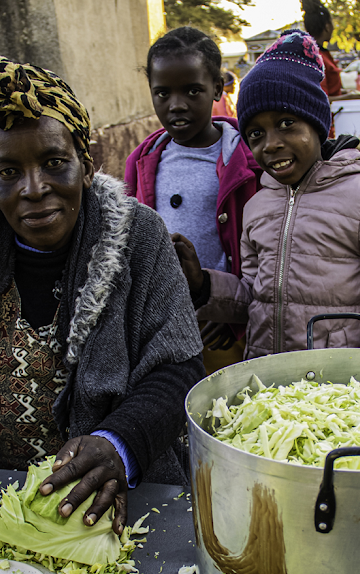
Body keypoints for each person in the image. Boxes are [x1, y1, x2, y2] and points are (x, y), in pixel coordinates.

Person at [0, 54, 205, 532]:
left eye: (55, 163)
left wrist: (118, 443)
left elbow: (180, 368)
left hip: (114, 505)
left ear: (86, 164)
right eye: (8, 171)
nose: (34, 189)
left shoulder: (139, 238)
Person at [174, 31, 360, 355]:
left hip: (337, 386)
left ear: (318, 126)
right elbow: (253, 295)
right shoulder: (258, 204)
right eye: (256, 133)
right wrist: (204, 285)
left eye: (287, 123)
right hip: (269, 381)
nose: (271, 143)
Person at [125, 27, 262, 373]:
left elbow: (264, 252)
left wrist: (229, 314)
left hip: (223, 325)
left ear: (217, 88)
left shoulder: (248, 161)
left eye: (193, 91)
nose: (176, 105)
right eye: (162, 93)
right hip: (163, 324)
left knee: (224, 412)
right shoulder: (142, 161)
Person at [302, 0, 360, 103]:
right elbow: (320, 99)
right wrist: (348, 97)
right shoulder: (316, 58)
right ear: (327, 26)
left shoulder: (317, 53)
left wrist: (345, 92)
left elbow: (328, 92)